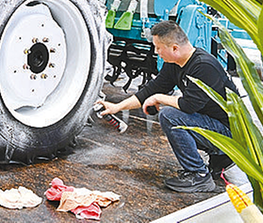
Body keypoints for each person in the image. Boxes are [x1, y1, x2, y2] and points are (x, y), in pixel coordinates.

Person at [98, 20, 237, 193]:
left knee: (170, 116)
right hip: (213, 126)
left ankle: (199, 175)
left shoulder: (204, 66)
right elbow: (150, 90)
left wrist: (159, 98)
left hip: (230, 133)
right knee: (171, 113)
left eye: (158, 48)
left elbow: (188, 105)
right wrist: (116, 107)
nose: (156, 52)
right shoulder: (174, 64)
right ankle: (220, 157)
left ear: (174, 48)